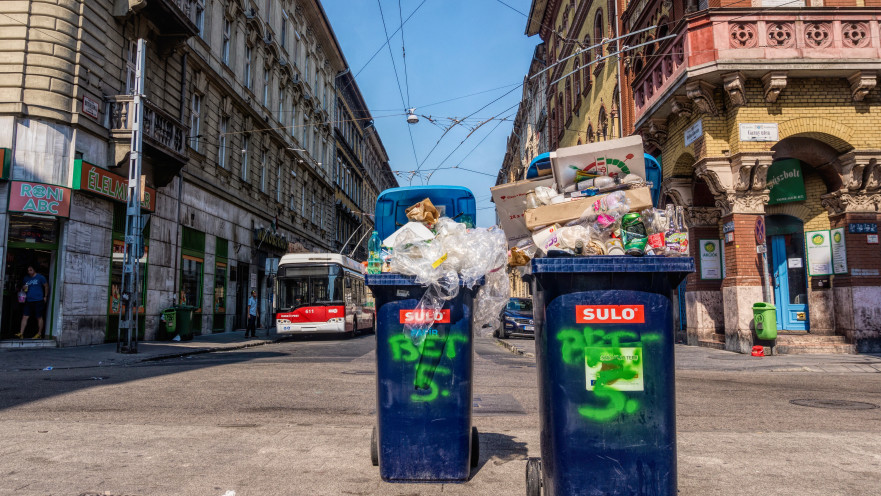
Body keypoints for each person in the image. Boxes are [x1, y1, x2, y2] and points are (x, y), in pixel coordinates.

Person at [17, 265, 49, 339]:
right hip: (28, 300)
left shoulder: (40, 277)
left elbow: (46, 286)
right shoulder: (26, 278)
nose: (29, 272)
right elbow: (24, 287)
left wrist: (45, 296)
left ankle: (39, 333)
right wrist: (23, 287)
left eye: (31, 270)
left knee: (39, 317)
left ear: (34, 270)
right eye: (28, 270)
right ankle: (21, 333)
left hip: (38, 300)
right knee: (25, 316)